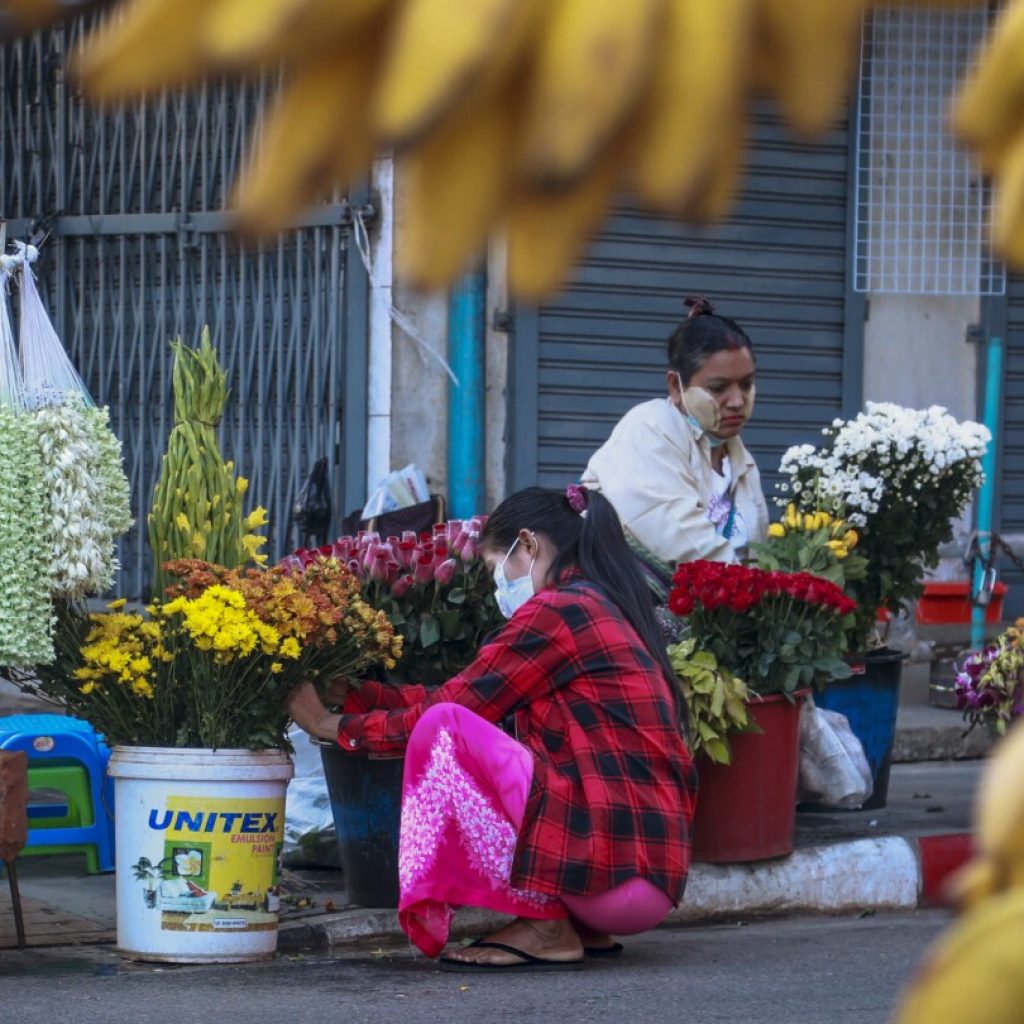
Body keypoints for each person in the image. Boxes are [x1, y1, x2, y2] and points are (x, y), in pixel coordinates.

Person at [287, 485, 697, 972]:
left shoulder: (558, 610)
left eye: (493, 568)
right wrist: (358, 698)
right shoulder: (603, 605)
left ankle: (546, 925)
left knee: (445, 730)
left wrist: (328, 724)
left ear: (528, 545)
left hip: (611, 878)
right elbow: (473, 694)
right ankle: (575, 924)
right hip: (643, 880)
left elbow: (450, 712)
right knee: (455, 722)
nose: (497, 586)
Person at [582, 297, 769, 574]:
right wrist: (756, 595)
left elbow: (756, 555)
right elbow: (681, 543)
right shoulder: (650, 428)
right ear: (675, 386)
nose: (737, 401)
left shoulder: (741, 462)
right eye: (718, 388)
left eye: (746, 384)